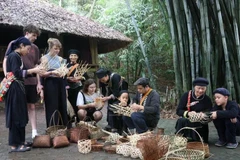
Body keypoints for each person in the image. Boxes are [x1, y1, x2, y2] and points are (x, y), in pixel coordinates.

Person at [5, 37, 43, 152]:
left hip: (20, 88)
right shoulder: (13, 56)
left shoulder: (18, 57)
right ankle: (14, 144)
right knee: (15, 115)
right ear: (21, 46)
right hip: (14, 89)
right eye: (27, 48)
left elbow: (22, 72)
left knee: (21, 114)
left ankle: (21, 141)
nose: (28, 51)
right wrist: (33, 70)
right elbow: (16, 73)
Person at [40, 38, 68, 128]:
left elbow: (64, 75)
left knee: (62, 105)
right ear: (50, 48)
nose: (57, 50)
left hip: (60, 83)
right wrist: (52, 72)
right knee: (52, 106)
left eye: (59, 49)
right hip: (50, 83)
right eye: (55, 48)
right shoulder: (44, 58)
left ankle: (63, 128)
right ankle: (53, 128)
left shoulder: (61, 59)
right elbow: (42, 74)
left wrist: (65, 86)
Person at [175, 77, 212, 143]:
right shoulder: (186, 96)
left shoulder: (207, 99)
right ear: (194, 87)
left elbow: (210, 112)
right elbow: (178, 111)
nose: (200, 91)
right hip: (187, 120)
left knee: (200, 124)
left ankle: (196, 139)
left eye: (203, 89)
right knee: (181, 120)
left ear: (206, 88)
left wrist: (203, 114)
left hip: (199, 122)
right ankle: (180, 139)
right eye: (198, 88)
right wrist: (188, 113)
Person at [66, 49, 88, 120]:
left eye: (75, 55)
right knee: (69, 104)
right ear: (69, 57)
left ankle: (79, 120)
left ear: (77, 57)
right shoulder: (65, 66)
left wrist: (80, 78)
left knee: (78, 103)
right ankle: (70, 120)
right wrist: (68, 78)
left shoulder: (81, 66)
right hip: (68, 88)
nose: (73, 57)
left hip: (78, 88)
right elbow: (62, 76)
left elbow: (86, 77)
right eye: (71, 55)